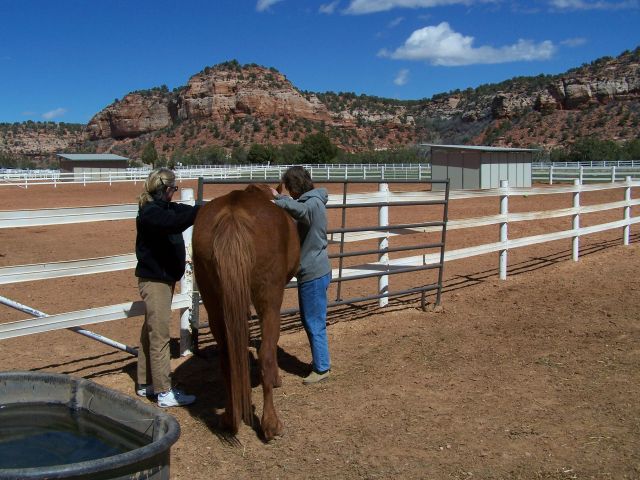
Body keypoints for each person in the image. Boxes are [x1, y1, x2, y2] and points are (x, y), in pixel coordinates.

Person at [135, 167, 199, 407]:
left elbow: (181, 212)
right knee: (160, 335)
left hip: (161, 280)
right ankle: (163, 392)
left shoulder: (161, 208)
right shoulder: (151, 213)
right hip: (155, 282)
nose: (175, 193)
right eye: (173, 189)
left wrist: (201, 210)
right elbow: (174, 221)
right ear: (164, 189)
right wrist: (196, 213)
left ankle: (144, 382)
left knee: (149, 332)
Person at [271, 166, 332, 384]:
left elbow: (300, 211)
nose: (291, 192)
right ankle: (322, 363)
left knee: (314, 321)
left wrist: (278, 199)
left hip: (313, 272)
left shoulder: (312, 204)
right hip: (318, 269)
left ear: (295, 186)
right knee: (314, 320)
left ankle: (322, 368)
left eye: (290, 188)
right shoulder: (315, 200)